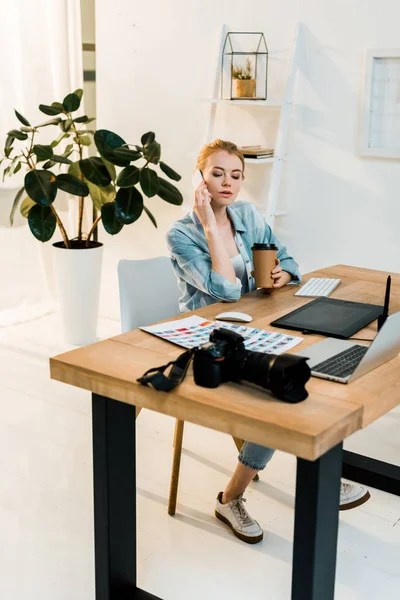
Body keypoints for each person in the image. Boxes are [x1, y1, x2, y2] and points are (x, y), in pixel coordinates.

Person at [166, 139, 370, 544]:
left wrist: (284, 275)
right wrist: (209, 223)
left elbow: (289, 261)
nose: (228, 182)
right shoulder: (182, 234)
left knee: (313, 368)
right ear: (200, 179)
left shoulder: (247, 214)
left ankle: (319, 475)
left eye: (236, 175)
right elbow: (224, 290)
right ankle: (231, 497)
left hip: (258, 325)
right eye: (217, 173)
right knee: (279, 388)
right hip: (210, 341)